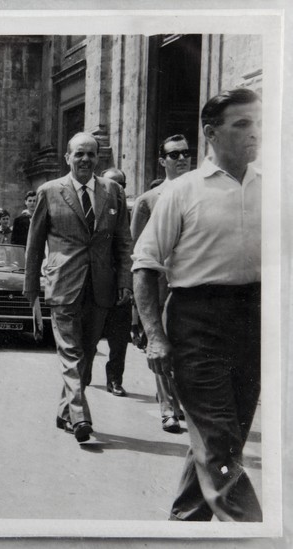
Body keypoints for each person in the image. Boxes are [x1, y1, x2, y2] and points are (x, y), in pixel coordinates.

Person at [133, 88, 262, 522]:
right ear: (211, 133)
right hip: (197, 325)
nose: (254, 133)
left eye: (257, 122)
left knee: (222, 440)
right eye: (241, 124)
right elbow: (145, 265)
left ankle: (184, 526)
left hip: (254, 323)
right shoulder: (182, 192)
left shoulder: (273, 188)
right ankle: (257, 533)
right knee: (220, 442)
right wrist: (154, 336)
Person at [23, 132, 133, 444]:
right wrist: (31, 290)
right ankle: (80, 415)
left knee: (86, 354)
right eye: (79, 154)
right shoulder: (49, 191)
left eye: (91, 155)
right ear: (67, 158)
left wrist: (125, 281)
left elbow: (124, 242)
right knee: (71, 352)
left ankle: (64, 412)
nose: (85, 160)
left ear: (99, 159)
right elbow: (34, 246)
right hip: (64, 284)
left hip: (100, 286)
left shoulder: (112, 191)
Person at [130, 134, 190, 433]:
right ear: (162, 161)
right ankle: (168, 408)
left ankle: (178, 404)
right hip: (161, 286)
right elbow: (138, 255)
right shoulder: (147, 201)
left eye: (185, 154)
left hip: (192, 284)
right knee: (162, 344)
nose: (181, 159)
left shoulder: (198, 192)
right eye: (174, 155)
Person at [92, 167, 133, 398]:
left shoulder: (132, 212)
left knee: (119, 340)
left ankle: (115, 379)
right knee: (89, 337)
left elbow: (130, 249)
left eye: (120, 185)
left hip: (121, 286)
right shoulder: (93, 211)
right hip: (96, 284)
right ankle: (84, 373)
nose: (115, 189)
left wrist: (127, 283)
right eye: (109, 184)